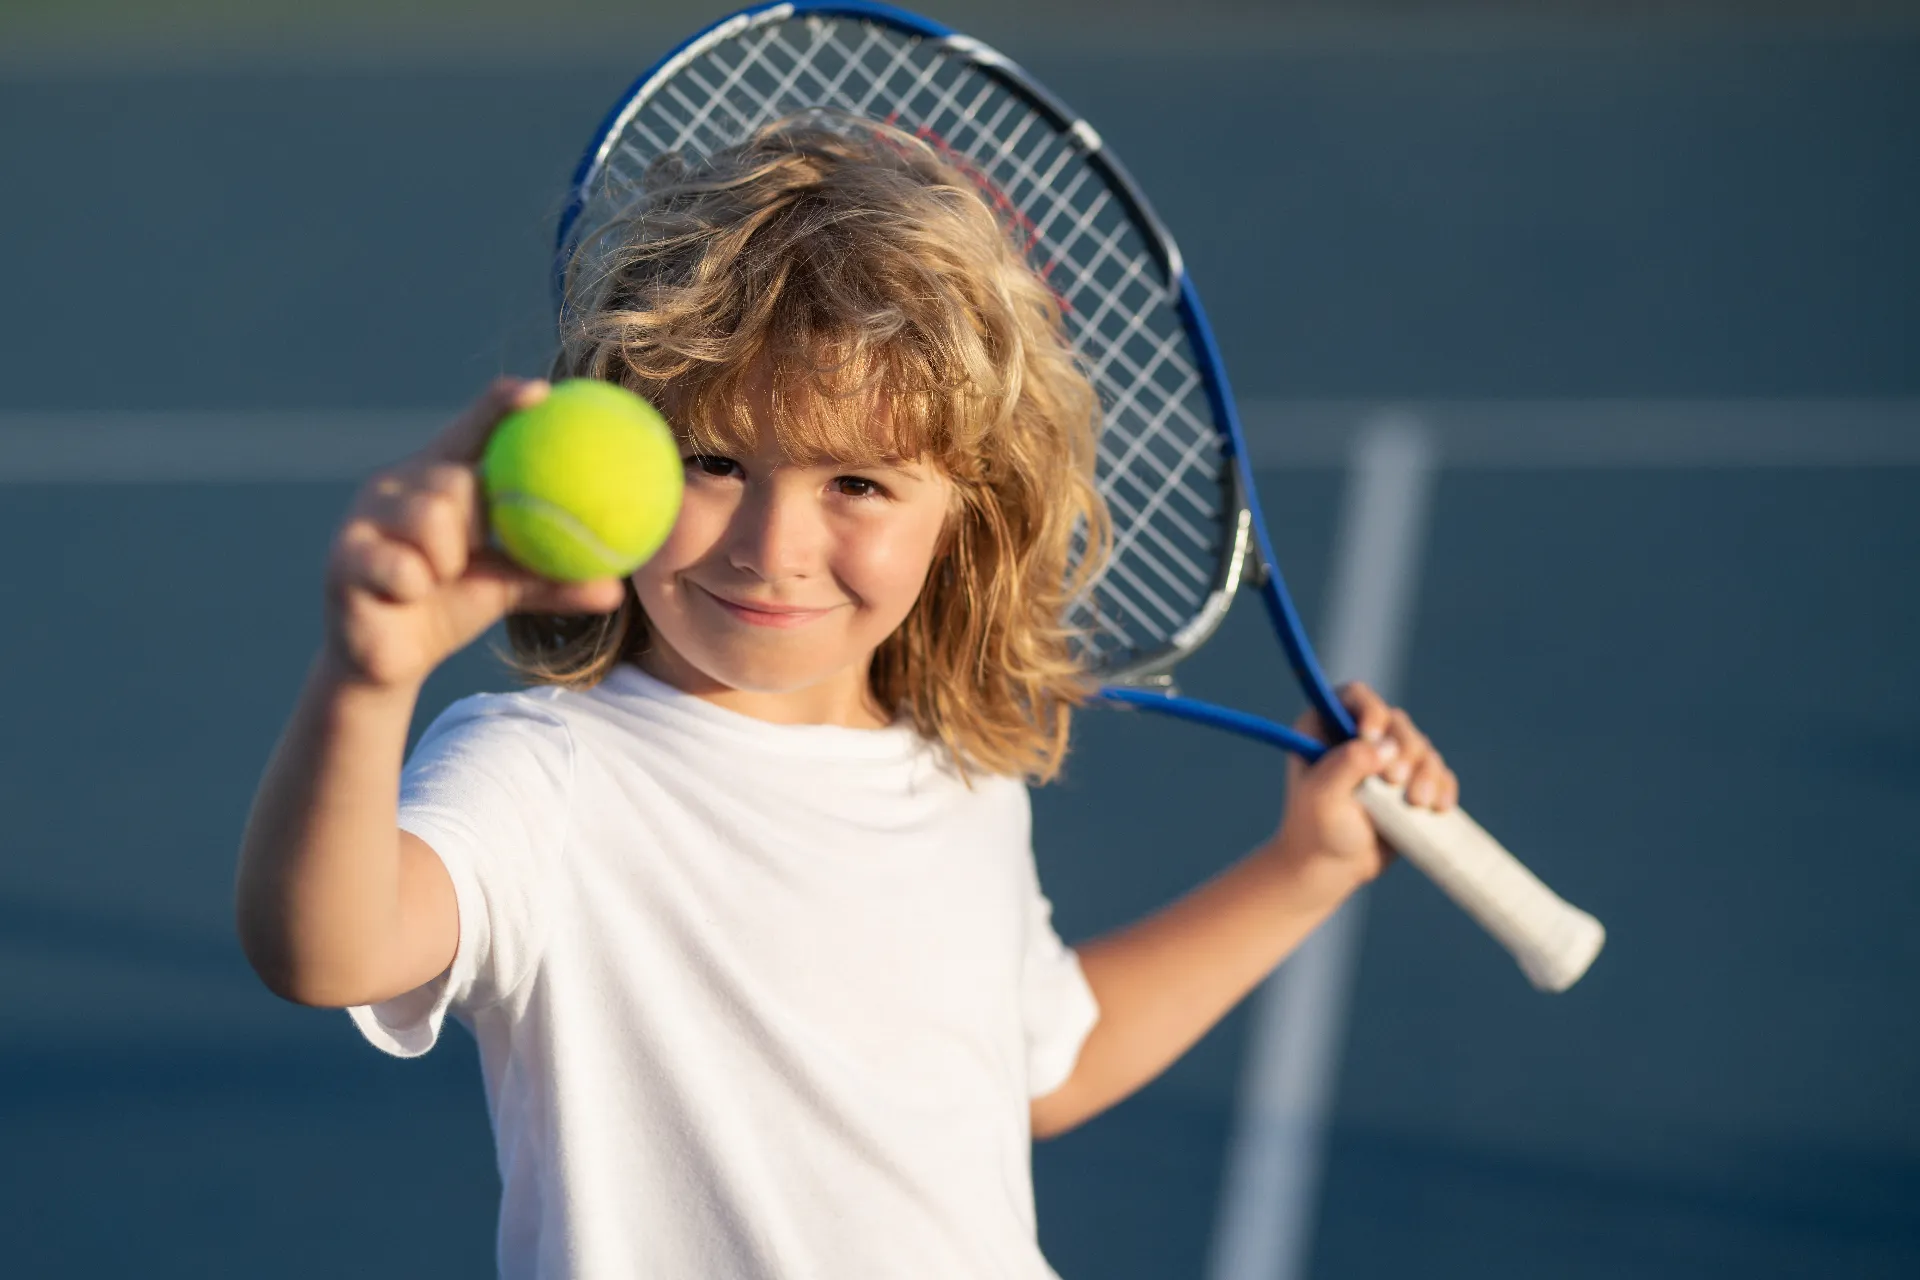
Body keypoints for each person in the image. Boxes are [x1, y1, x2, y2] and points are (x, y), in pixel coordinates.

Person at [233, 116, 1457, 1279]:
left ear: (965, 509)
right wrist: (366, 681)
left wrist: (1305, 868)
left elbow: (1044, 1062)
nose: (772, 546)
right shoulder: (545, 774)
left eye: (858, 482)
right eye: (714, 461)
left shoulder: (959, 778)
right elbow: (331, 947)